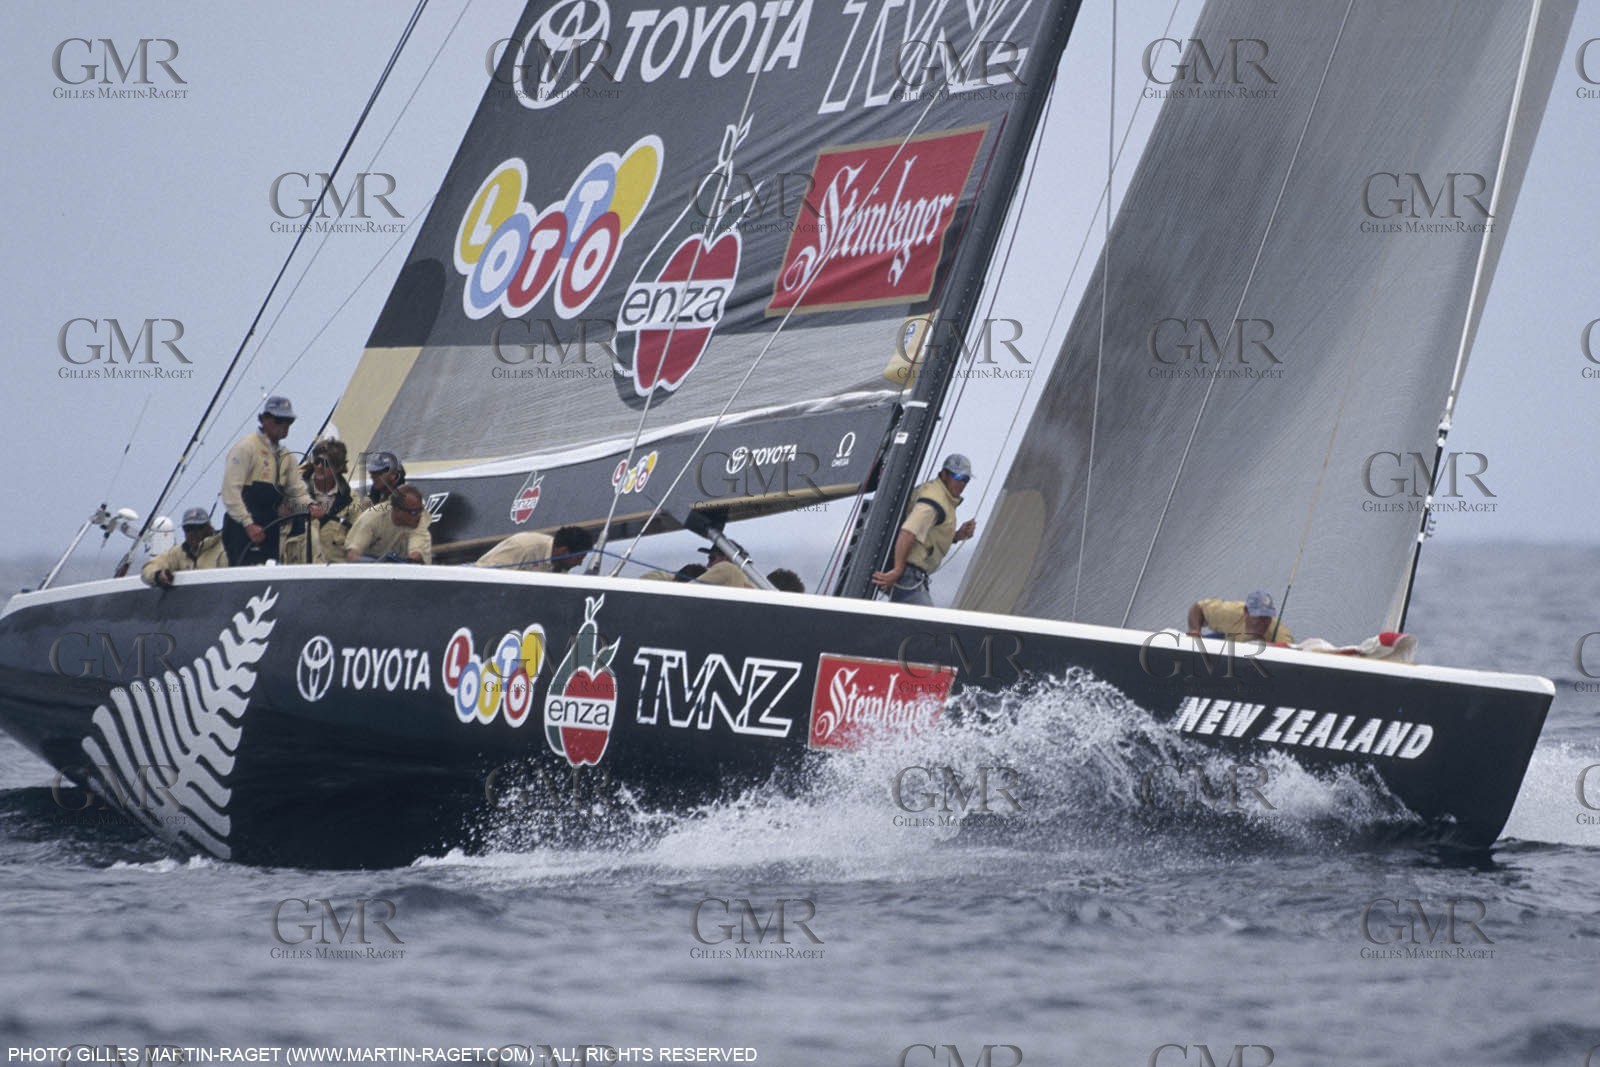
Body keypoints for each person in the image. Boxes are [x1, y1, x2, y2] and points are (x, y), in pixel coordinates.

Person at [220, 396, 323, 565]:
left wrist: (311, 505)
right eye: (278, 420)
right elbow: (230, 492)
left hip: (271, 525)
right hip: (241, 527)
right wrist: (248, 524)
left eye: (288, 421)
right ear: (264, 420)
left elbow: (297, 491)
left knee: (271, 566)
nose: (284, 425)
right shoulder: (246, 448)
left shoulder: (286, 456)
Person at [871, 453, 977, 605]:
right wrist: (897, 570)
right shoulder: (934, 501)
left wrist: (957, 536)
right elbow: (908, 532)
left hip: (913, 575)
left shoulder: (940, 495)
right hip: (907, 575)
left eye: (965, 479)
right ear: (944, 474)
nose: (961, 484)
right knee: (927, 620)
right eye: (957, 477)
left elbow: (928, 534)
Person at [282, 439, 356, 564]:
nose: (320, 467)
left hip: (334, 571)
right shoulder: (292, 492)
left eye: (326, 463)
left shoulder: (352, 500)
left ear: (338, 467)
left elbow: (358, 540)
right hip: (296, 570)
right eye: (317, 462)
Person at [345, 483, 432, 563]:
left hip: (404, 565)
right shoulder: (371, 519)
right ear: (397, 511)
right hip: (372, 565)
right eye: (414, 512)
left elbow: (416, 554)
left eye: (421, 509)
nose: (419, 515)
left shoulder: (421, 518)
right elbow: (352, 554)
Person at [141, 507, 227, 587]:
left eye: (199, 528)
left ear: (209, 528)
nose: (193, 533)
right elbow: (148, 568)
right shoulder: (178, 552)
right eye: (188, 529)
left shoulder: (224, 550)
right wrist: (158, 575)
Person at [1187, 589, 1294, 644]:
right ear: (1246, 612)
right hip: (1229, 639)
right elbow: (1198, 608)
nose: (1264, 623)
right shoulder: (1230, 612)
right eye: (1259, 617)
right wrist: (1195, 629)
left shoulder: (1280, 633)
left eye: (1267, 617)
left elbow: (1291, 655)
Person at [473, 526, 596, 573]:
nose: (580, 564)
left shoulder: (561, 565)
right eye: (579, 558)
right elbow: (485, 574)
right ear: (563, 551)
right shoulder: (524, 546)